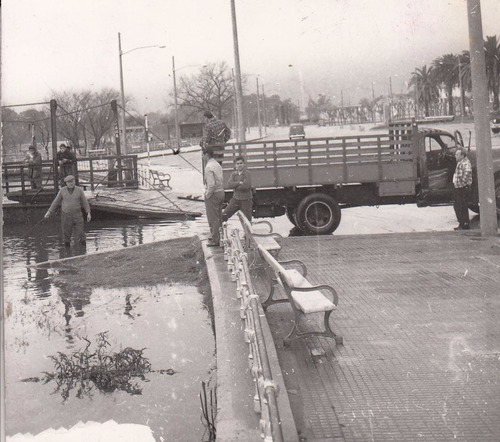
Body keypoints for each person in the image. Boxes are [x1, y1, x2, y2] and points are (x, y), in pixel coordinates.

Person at [45, 175, 91, 246]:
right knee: (66, 234)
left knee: (80, 233)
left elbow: (85, 202)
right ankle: (67, 251)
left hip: (77, 214)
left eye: (72, 181)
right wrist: (49, 212)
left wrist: (88, 213)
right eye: (69, 182)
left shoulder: (79, 190)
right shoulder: (62, 190)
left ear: (74, 181)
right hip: (66, 215)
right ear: (66, 183)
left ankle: (83, 251)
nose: (71, 184)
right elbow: (56, 202)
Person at [203, 149, 225, 247]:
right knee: (219, 217)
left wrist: (207, 195)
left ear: (206, 155)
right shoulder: (217, 164)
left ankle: (215, 240)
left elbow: (211, 185)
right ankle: (218, 236)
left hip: (214, 194)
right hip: (221, 192)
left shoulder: (208, 167)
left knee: (213, 217)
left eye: (203, 155)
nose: (203, 157)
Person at [223, 156, 253, 221]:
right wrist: (239, 183)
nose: (239, 165)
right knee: (224, 215)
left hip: (246, 200)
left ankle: (248, 231)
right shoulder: (233, 174)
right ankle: (220, 230)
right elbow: (229, 184)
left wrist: (235, 185)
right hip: (235, 199)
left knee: (247, 221)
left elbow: (245, 186)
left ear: (244, 164)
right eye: (237, 164)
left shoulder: (248, 174)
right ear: (235, 165)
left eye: (241, 163)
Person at [452, 147, 472, 230]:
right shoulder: (461, 162)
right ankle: (462, 223)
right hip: (459, 187)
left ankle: (464, 224)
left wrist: (462, 184)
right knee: (459, 205)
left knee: (461, 206)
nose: (455, 156)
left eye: (457, 154)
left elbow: (466, 174)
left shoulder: (465, 164)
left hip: (462, 188)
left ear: (462, 155)